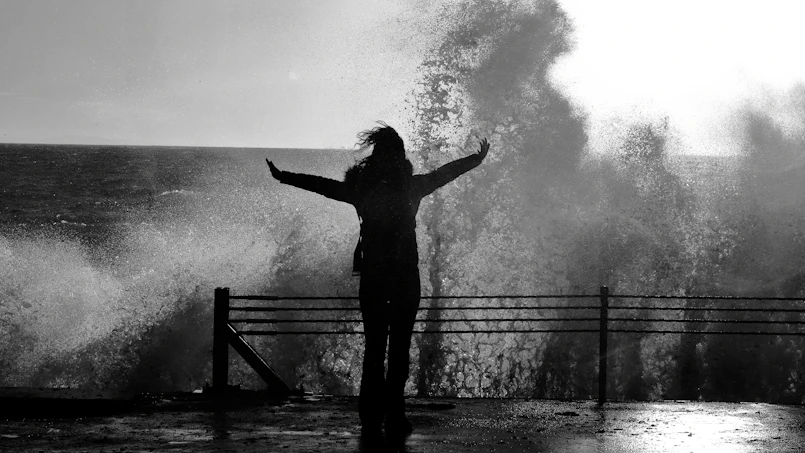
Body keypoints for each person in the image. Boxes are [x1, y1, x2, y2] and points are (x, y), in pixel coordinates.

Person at [266, 124, 489, 437]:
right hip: (402, 280)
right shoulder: (411, 187)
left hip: (376, 279)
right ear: (399, 158)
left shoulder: (364, 190)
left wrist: (284, 176)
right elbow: (446, 172)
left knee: (378, 349)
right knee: (396, 349)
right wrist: (474, 161)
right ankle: (392, 415)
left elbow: (323, 186)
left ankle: (372, 416)